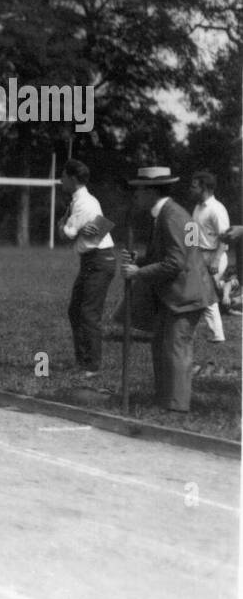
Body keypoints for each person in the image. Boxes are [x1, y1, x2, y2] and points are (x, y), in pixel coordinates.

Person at [118, 166, 217, 413]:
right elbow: (168, 255)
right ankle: (164, 400)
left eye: (139, 190)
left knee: (175, 349)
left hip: (186, 294)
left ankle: (176, 408)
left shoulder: (171, 215)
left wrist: (138, 272)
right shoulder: (165, 213)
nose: (135, 196)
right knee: (161, 345)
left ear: (152, 191)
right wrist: (139, 260)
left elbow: (176, 262)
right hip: (176, 293)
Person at [56, 159, 116, 377]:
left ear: (72, 179)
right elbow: (97, 227)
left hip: (99, 261)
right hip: (93, 260)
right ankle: (83, 362)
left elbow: (66, 234)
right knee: (76, 311)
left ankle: (91, 367)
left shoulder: (83, 204)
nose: (60, 180)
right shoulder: (85, 200)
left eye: (63, 176)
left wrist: (63, 225)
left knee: (88, 314)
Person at [188, 171, 231, 343]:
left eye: (194, 186)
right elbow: (192, 233)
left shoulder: (217, 209)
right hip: (199, 256)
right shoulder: (198, 207)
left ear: (204, 188)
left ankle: (216, 334)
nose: (190, 189)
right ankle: (214, 335)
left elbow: (225, 238)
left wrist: (215, 260)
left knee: (205, 295)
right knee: (201, 295)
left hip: (215, 256)